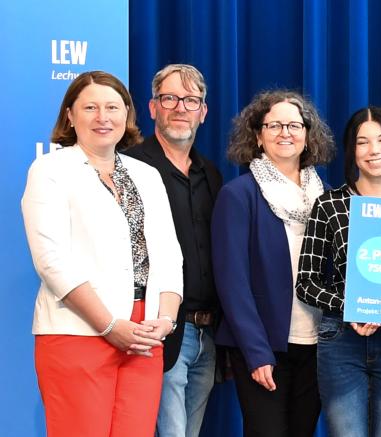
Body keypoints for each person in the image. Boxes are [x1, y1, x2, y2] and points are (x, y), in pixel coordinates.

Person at [23, 70, 183, 436]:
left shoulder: (147, 174)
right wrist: (109, 326)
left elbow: (170, 255)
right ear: (70, 115)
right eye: (90, 107)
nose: (103, 117)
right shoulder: (50, 170)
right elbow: (52, 260)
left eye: (112, 107)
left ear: (126, 114)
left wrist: (167, 320)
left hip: (144, 333)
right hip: (78, 331)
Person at [296, 106, 381, 437]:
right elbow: (307, 283)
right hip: (341, 340)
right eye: (363, 142)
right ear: (351, 150)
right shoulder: (330, 205)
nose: (374, 151)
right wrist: (349, 306)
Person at [212, 90, 336, 437]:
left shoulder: (324, 195)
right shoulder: (239, 195)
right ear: (257, 135)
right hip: (264, 345)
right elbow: (232, 282)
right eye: (274, 125)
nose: (285, 132)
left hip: (315, 343)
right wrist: (256, 352)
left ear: (308, 134)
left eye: (294, 125)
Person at [123, 64, 223, 437]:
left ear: (203, 111)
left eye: (191, 100)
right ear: (152, 108)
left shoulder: (210, 173)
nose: (181, 107)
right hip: (159, 330)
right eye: (170, 98)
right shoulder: (130, 166)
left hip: (206, 334)